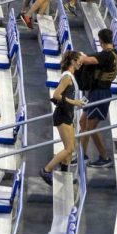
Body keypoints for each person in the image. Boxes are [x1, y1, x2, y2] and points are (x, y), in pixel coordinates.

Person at [41, 51, 85, 184]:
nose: (80, 63)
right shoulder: (67, 77)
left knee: (72, 147)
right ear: (72, 61)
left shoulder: (71, 76)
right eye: (79, 60)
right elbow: (56, 95)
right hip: (63, 115)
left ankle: (65, 174)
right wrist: (75, 102)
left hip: (68, 114)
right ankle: (46, 170)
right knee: (69, 148)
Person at [78, 31, 117, 166]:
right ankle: (81, 154)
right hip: (96, 92)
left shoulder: (106, 55)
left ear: (100, 40)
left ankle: (105, 157)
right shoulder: (114, 53)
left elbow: (88, 60)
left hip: (101, 93)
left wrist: (81, 56)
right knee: (83, 122)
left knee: (91, 127)